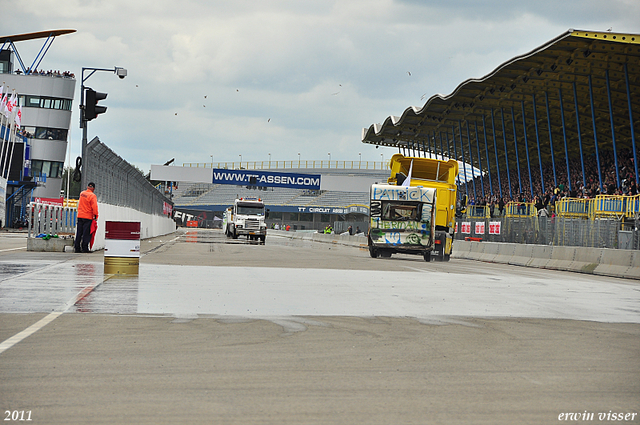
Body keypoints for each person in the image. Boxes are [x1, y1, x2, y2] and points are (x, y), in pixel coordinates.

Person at [75, 182, 99, 253]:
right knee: (86, 233)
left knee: (79, 232)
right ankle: (84, 248)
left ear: (87, 187)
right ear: (93, 188)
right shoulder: (92, 196)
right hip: (88, 217)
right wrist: (95, 215)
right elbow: (94, 207)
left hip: (80, 216)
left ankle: (77, 248)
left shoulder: (82, 194)